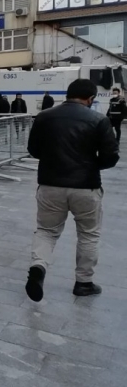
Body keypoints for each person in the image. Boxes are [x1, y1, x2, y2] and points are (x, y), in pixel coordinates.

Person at [25, 79, 119, 302]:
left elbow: (33, 149)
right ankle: (84, 282)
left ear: (68, 94)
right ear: (91, 98)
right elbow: (111, 156)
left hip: (50, 184)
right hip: (86, 186)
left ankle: (38, 267)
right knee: (88, 234)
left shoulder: (45, 116)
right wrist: (91, 165)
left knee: (46, 231)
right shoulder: (99, 120)